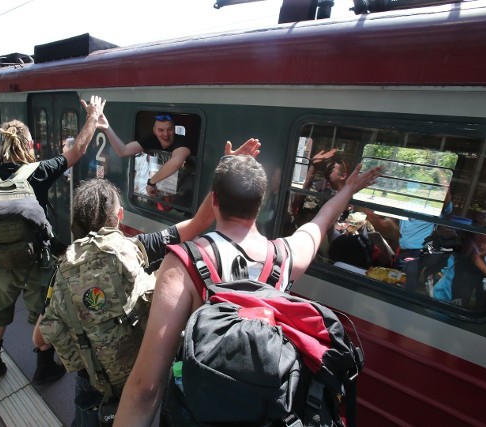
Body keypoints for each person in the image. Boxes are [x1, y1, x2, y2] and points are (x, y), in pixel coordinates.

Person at [113, 152, 381, 426]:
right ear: (260, 203)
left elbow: (145, 389)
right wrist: (348, 189)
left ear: (214, 199)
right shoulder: (285, 256)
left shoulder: (183, 262)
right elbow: (321, 222)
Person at [32, 139, 261, 427]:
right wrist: (227, 170)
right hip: (139, 374)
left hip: (93, 389)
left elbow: (39, 339)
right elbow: (197, 223)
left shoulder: (62, 271)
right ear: (119, 217)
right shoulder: (136, 246)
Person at [0, 95, 106, 385]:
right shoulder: (39, 171)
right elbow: (77, 151)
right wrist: (93, 116)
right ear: (28, 145)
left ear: (1, 146)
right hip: (37, 260)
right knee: (44, 311)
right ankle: (44, 367)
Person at [97, 112, 193, 197]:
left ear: (174, 129)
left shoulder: (182, 140)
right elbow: (123, 151)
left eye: (170, 129)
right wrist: (107, 128)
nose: (166, 134)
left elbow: (176, 163)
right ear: (154, 131)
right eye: (161, 130)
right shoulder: (151, 140)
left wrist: (151, 182)